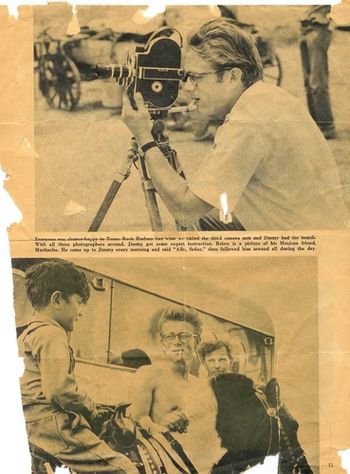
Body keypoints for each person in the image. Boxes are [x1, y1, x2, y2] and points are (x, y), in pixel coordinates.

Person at [121, 17, 348, 231]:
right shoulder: (270, 97)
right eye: (186, 78)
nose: (188, 88)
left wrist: (145, 140)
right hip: (320, 236)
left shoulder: (248, 122)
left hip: (303, 257)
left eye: (196, 77)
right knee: (207, 218)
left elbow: (185, 209)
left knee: (192, 225)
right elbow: (205, 195)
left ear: (232, 77)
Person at [17, 260, 138, 474]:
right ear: (57, 299)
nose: (81, 311)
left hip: (31, 424)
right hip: (52, 426)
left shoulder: (28, 334)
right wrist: (90, 408)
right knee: (124, 468)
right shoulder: (53, 334)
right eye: (79, 302)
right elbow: (59, 390)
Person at [128, 306, 224, 473]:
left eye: (184, 336)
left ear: (198, 340)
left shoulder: (201, 385)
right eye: (169, 337)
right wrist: (160, 427)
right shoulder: (149, 374)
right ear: (163, 342)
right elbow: (132, 423)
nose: (176, 342)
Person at [197, 340, 313, 473]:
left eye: (222, 359)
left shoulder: (245, 388)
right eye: (211, 361)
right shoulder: (201, 391)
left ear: (230, 361)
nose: (217, 365)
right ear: (204, 363)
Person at [300, 5, 337, 139]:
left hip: (320, 28)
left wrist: (331, 22)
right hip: (304, 27)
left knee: (317, 81)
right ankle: (316, 125)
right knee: (307, 81)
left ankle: (327, 127)